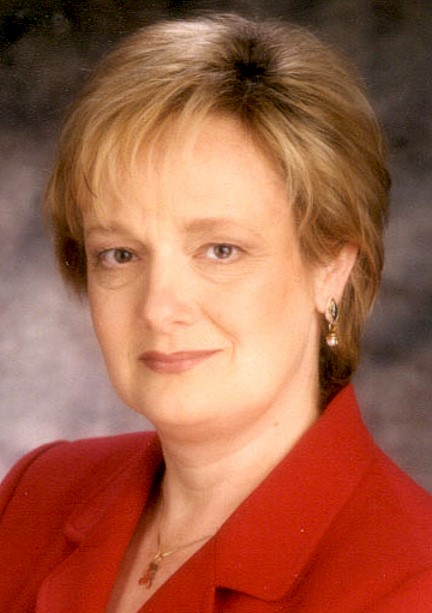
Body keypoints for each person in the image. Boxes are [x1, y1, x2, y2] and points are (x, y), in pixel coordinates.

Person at [1, 12, 431, 613]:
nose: (159, 308)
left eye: (220, 250)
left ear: (331, 267)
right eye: (120, 254)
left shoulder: (409, 580)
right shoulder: (35, 496)